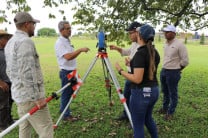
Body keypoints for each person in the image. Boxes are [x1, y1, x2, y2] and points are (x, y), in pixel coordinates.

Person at [5, 12, 54, 138]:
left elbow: (9, 71)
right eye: (33, 24)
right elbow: (27, 73)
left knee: (25, 128)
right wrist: (37, 98)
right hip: (30, 98)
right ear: (27, 24)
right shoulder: (25, 42)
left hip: (19, 95)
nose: (34, 27)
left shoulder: (10, 43)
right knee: (46, 129)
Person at [115, 24, 160, 138]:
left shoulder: (140, 53)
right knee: (147, 118)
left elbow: (137, 79)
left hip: (141, 93)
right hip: (154, 90)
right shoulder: (154, 52)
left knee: (138, 125)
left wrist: (120, 70)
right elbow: (147, 67)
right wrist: (132, 63)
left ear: (139, 36)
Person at [55, 21, 90, 122]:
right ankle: (66, 115)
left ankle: (63, 109)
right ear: (61, 30)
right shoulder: (60, 43)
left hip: (72, 71)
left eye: (70, 28)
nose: (70, 30)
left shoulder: (67, 41)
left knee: (73, 91)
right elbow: (68, 57)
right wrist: (80, 50)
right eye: (67, 28)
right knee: (66, 93)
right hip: (66, 72)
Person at [109, 21, 142, 121]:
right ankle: (126, 114)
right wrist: (117, 48)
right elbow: (127, 51)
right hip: (129, 75)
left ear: (137, 32)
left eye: (130, 33)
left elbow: (142, 63)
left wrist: (130, 63)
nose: (129, 35)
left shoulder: (143, 46)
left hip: (136, 76)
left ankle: (134, 119)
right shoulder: (134, 43)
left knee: (135, 99)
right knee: (126, 96)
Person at [158, 25, 189, 120]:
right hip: (164, 70)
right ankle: (164, 108)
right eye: (165, 32)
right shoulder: (166, 43)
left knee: (173, 93)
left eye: (167, 32)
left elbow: (185, 61)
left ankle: (170, 113)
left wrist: (177, 70)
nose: (165, 34)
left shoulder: (180, 45)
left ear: (173, 33)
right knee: (165, 91)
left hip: (173, 72)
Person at [0, 30, 14, 131]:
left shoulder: (6, 50)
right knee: (3, 105)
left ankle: (9, 120)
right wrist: (0, 82)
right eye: (6, 38)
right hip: (2, 83)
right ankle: (2, 126)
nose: (8, 40)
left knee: (10, 102)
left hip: (9, 80)